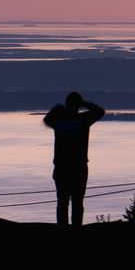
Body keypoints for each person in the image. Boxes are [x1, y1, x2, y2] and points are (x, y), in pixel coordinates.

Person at [43, 92, 105, 226]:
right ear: (78, 105)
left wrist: (57, 109)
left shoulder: (60, 120)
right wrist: (85, 103)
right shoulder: (83, 119)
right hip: (78, 167)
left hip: (62, 167)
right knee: (77, 202)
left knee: (62, 202)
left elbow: (47, 120)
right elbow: (100, 112)